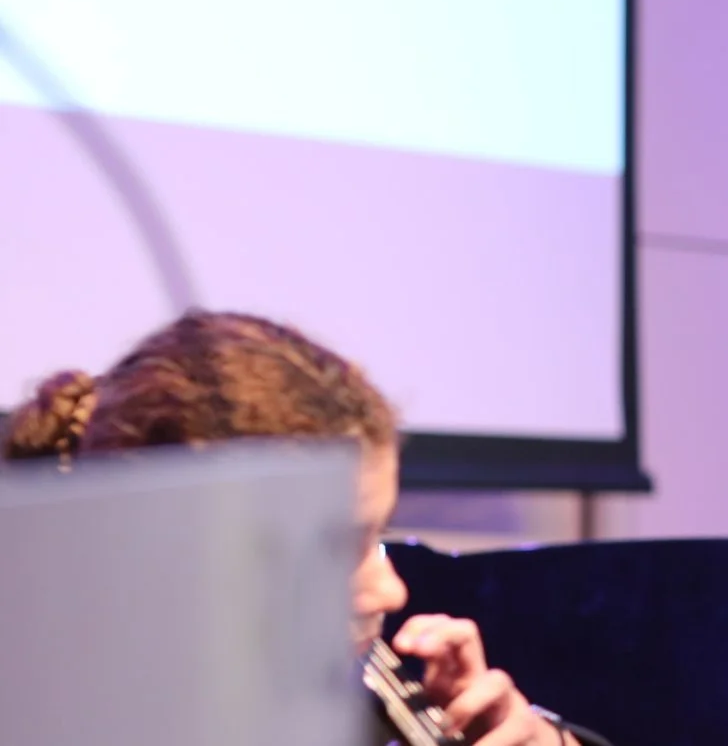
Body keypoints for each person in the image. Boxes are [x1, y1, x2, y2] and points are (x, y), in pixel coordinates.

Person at [3, 310, 593, 746]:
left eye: (377, 537)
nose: (393, 591)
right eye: (340, 548)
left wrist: (543, 741)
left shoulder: (341, 696)